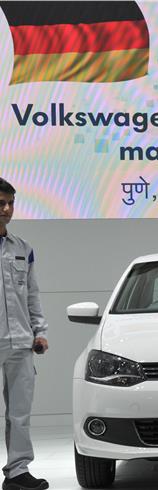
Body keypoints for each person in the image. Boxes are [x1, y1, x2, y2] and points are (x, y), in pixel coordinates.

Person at [0, 178, 50, 490]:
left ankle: (17, 473)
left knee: (19, 414)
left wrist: (40, 331)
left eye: (10, 203)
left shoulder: (22, 249)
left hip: (19, 342)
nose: (7, 210)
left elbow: (32, 295)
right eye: (0, 204)